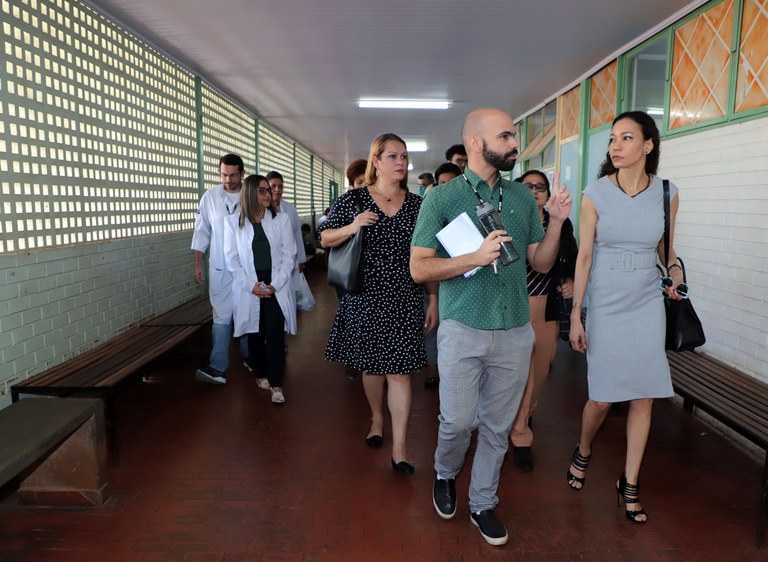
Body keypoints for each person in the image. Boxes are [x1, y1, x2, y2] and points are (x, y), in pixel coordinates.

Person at [410, 108, 571, 546]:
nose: (515, 144)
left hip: (516, 330)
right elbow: (419, 268)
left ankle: (483, 501)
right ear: (477, 143)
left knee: (498, 427)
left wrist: (555, 221)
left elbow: (540, 261)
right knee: (458, 422)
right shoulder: (440, 199)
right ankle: (445, 474)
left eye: (514, 135)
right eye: (506, 136)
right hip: (463, 326)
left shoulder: (521, 198)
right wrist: (472, 258)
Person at [566, 111, 684, 525]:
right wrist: (577, 315)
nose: (615, 146)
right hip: (605, 298)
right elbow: (583, 257)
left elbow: (667, 256)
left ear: (648, 145)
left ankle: (630, 482)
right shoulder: (595, 192)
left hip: (646, 300)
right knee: (600, 397)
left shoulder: (667, 193)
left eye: (626, 138)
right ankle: (583, 448)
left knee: (644, 394)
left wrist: (677, 280)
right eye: (613, 139)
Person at [319, 133, 438, 475]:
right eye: (393, 156)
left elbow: (425, 255)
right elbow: (325, 236)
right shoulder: (354, 199)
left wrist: (432, 297)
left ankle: (400, 449)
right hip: (365, 296)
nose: (401, 162)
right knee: (372, 367)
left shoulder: (417, 205)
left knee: (400, 373)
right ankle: (376, 418)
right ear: (376, 161)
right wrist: (353, 226)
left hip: (404, 296)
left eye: (404, 157)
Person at [509, 170, 579, 471]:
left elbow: (573, 259)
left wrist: (572, 281)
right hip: (513, 308)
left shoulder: (560, 224)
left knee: (541, 369)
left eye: (541, 187)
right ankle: (520, 431)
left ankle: (525, 414)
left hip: (546, 308)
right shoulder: (510, 220)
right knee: (517, 373)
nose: (535, 191)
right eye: (528, 186)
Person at [224, 175, 297, 404]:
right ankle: (259, 372)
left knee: (274, 334)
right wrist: (250, 286)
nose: (269, 194)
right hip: (250, 285)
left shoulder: (281, 219)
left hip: (276, 283)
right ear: (250, 194)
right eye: (263, 191)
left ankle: (277, 385)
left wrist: (275, 284)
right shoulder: (233, 222)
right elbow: (231, 260)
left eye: (269, 190)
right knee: (254, 334)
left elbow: (289, 255)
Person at [191, 153, 250, 385]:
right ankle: (218, 367)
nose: (228, 179)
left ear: (242, 173)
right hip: (219, 267)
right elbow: (201, 231)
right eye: (224, 174)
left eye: (233, 175)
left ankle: (251, 358)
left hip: (246, 268)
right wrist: (198, 262)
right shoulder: (210, 197)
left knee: (247, 313)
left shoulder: (252, 195)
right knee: (221, 316)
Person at [266, 170, 307, 278]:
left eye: (280, 186)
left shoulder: (290, 209)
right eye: (273, 186)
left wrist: (301, 258)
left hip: (289, 259)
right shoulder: (261, 210)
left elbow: (297, 234)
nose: (277, 190)